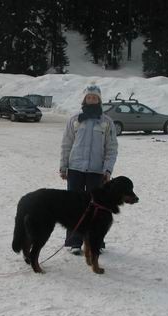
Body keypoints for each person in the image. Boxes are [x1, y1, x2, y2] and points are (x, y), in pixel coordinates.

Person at [59, 85, 118, 255]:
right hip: (75, 169)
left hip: (96, 171)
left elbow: (111, 148)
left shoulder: (107, 122)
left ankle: (96, 241)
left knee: (97, 207)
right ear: (84, 100)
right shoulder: (75, 120)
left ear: (99, 100)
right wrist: (63, 166)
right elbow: (66, 144)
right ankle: (74, 242)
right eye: (89, 97)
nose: (91, 100)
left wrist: (107, 169)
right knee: (74, 206)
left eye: (95, 97)